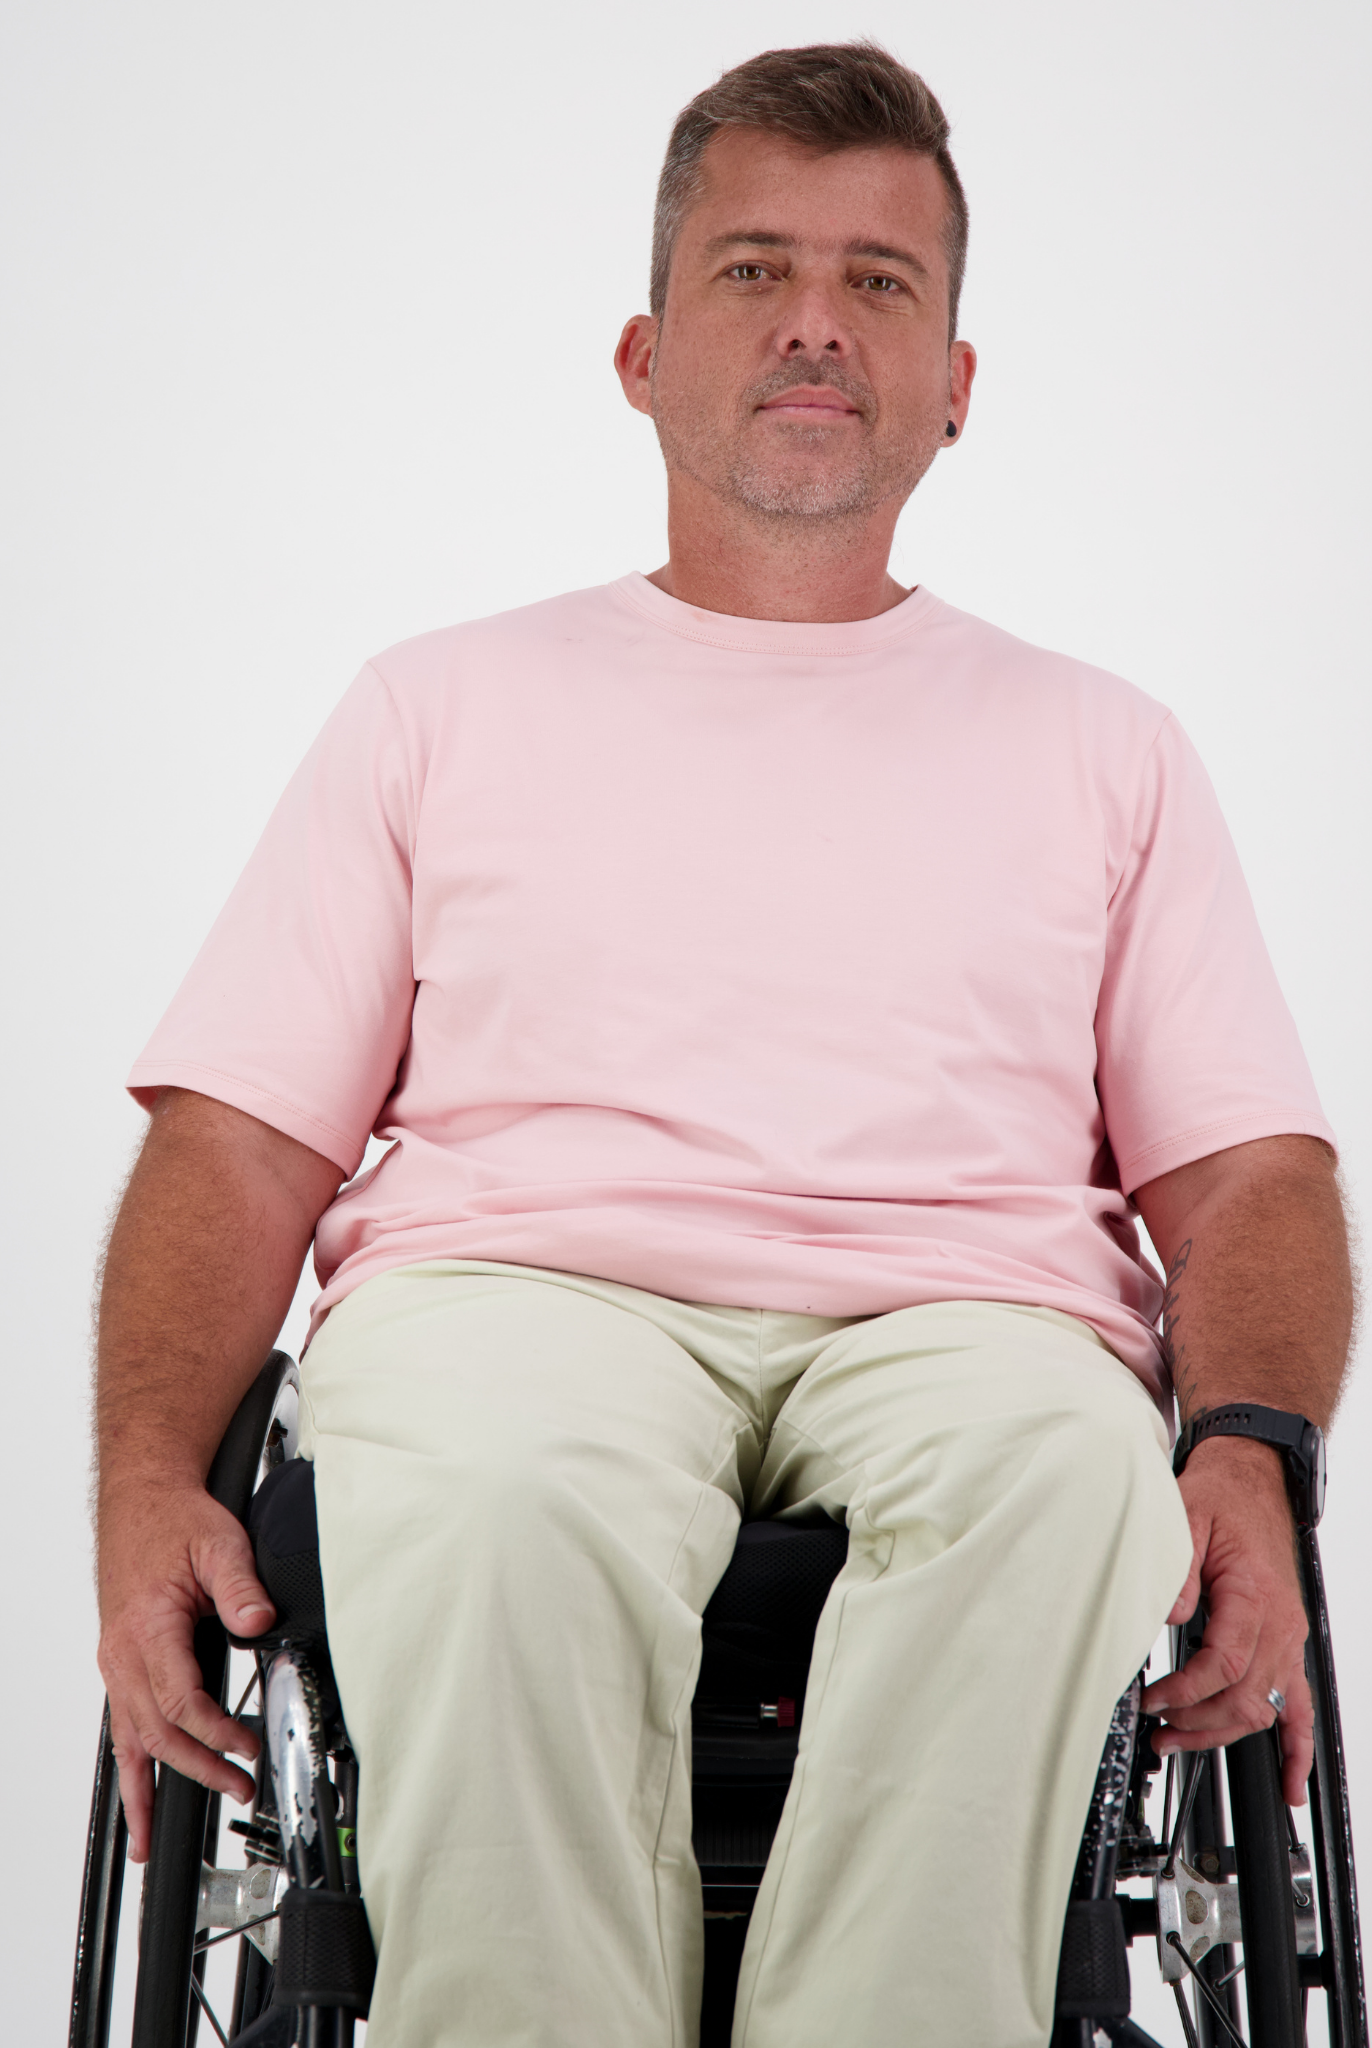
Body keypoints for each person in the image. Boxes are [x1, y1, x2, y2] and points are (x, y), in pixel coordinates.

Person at [94, 40, 1353, 2048]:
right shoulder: (437, 706)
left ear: (954, 379)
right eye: (754, 269)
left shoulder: (1100, 745)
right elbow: (237, 1142)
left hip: (969, 1317)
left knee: (1055, 1469)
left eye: (878, 284)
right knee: (490, 1477)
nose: (812, 326)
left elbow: (1254, 1177)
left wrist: (1255, 1450)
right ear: (640, 350)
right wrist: (143, 1477)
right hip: (524, 1289)